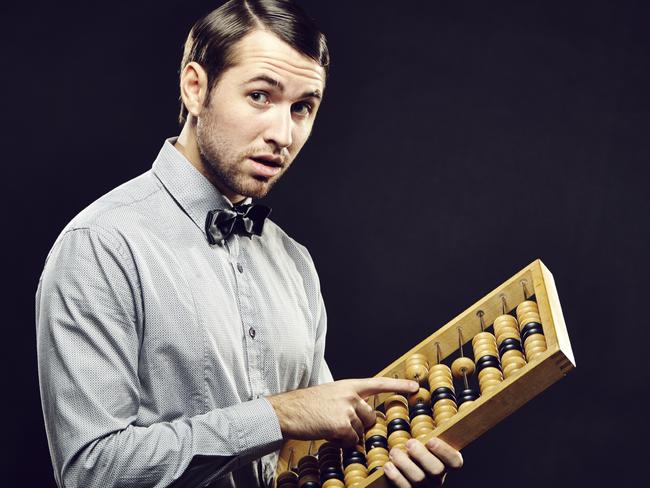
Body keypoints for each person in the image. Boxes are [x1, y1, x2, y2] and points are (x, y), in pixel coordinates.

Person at [35, 1, 464, 487]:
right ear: (196, 88)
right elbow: (92, 471)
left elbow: (310, 460)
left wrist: (382, 472)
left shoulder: (295, 264)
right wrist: (276, 416)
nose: (282, 134)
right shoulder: (101, 246)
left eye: (302, 107)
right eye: (260, 96)